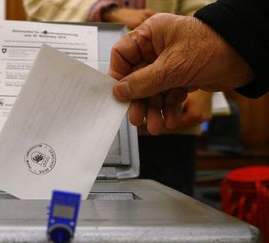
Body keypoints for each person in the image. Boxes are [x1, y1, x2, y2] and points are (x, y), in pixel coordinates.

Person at [24, 0, 216, 195]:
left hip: (167, 118)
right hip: (79, 115)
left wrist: (203, 67)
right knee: (68, 214)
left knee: (168, 218)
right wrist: (105, 11)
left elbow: (201, 7)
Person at [110, 0, 269, 135]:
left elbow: (199, 9)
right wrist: (108, 11)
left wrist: (203, 87)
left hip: (173, 110)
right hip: (106, 117)